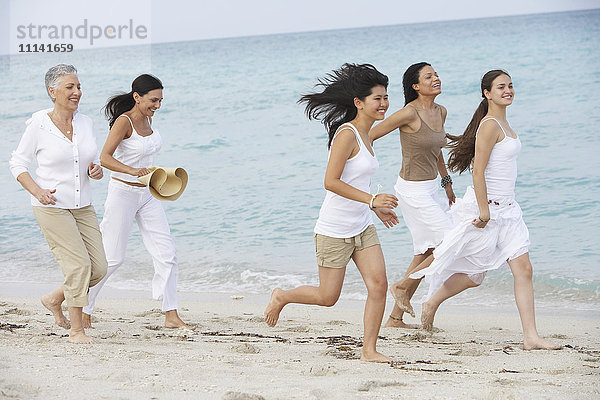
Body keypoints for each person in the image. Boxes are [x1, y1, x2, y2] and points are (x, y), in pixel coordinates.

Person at [398, 70, 561, 350]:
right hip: (485, 210)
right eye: (501, 87)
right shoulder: (489, 125)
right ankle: (415, 293)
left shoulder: (505, 124)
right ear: (487, 93)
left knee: (524, 269)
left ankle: (530, 337)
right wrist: (484, 211)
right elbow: (478, 172)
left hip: (509, 211)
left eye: (510, 86)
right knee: (469, 271)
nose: (508, 90)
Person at [264, 63, 400, 363]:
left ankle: (369, 349)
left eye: (385, 97)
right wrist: (372, 199)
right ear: (359, 103)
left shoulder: (367, 134)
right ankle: (282, 296)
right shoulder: (347, 134)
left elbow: (357, 179)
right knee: (328, 298)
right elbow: (331, 181)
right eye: (377, 98)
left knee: (379, 285)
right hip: (334, 229)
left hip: (362, 226)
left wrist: (374, 208)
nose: (384, 103)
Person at [9, 64, 107, 344]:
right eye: (70, 87)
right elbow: (17, 163)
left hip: (83, 205)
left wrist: (96, 170)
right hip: (51, 205)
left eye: (78, 87)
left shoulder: (86, 123)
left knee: (98, 267)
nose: (77, 92)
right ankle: (77, 330)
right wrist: (37, 190)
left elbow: (90, 161)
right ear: (52, 92)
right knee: (78, 265)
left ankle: (54, 298)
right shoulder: (38, 124)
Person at [82, 74, 189, 329]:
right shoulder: (124, 122)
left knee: (167, 254)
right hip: (122, 193)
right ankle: (83, 309)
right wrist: (132, 172)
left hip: (149, 194)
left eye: (161, 100)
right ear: (137, 97)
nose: (157, 105)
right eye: (153, 100)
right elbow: (105, 158)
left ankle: (171, 315)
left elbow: (144, 156)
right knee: (112, 258)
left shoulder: (149, 118)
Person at [369, 62, 455, 328]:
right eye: (429, 76)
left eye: (437, 74)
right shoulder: (408, 113)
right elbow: (368, 136)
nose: (436, 78)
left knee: (426, 251)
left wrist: (447, 183)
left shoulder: (441, 111)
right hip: (412, 191)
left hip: (432, 188)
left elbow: (437, 149)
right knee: (451, 241)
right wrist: (368, 188)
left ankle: (395, 318)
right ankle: (402, 286)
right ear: (416, 86)